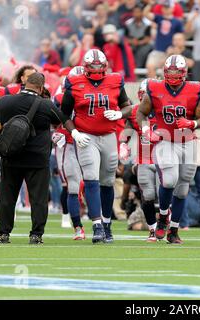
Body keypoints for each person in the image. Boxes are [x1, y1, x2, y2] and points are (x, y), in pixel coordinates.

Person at [0, 73, 75, 245]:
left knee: (7, 197)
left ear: (25, 83)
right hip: (37, 158)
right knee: (38, 199)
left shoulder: (5, 101)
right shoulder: (45, 104)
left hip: (11, 156)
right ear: (40, 87)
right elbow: (61, 119)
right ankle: (36, 235)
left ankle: (3, 233)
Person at [136, 54, 200, 244]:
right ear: (164, 72)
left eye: (177, 72)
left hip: (188, 141)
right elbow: (141, 112)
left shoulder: (195, 90)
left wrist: (191, 123)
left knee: (183, 188)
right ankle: (162, 218)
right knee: (169, 181)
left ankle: (174, 230)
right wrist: (145, 129)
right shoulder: (155, 87)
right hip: (166, 139)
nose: (174, 75)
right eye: (170, 72)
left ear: (184, 73)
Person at [61, 49, 133, 244]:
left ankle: (107, 225)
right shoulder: (74, 83)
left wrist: (120, 114)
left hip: (109, 136)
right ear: (85, 68)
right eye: (92, 68)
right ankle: (97, 225)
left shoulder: (115, 81)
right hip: (86, 136)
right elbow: (64, 114)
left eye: (99, 68)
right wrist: (74, 132)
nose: (96, 71)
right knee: (91, 178)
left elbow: (127, 105)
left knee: (108, 181)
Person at [122, 79, 159, 242]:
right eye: (144, 95)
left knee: (165, 197)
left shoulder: (165, 111)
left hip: (165, 161)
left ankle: (168, 226)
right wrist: (123, 144)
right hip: (144, 160)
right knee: (148, 196)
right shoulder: (135, 111)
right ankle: (153, 229)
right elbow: (127, 131)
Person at [52, 67, 84, 236]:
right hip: (69, 143)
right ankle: (76, 225)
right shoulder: (59, 98)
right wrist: (56, 134)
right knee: (71, 185)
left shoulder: (92, 93)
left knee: (95, 183)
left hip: (89, 142)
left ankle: (101, 222)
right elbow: (52, 120)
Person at [144, 1, 184, 79]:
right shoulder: (159, 18)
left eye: (167, 7)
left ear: (172, 8)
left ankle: (165, 88)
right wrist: (150, 4)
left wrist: (174, 48)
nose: (165, 9)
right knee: (150, 66)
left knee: (168, 72)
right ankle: (153, 87)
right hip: (158, 50)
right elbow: (146, 14)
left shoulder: (177, 22)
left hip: (170, 52)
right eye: (164, 7)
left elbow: (180, 37)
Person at [124, 4, 153, 68]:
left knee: (144, 50)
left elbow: (148, 38)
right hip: (131, 43)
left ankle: (138, 67)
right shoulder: (128, 23)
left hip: (143, 43)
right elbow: (125, 37)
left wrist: (139, 42)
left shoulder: (147, 24)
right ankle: (129, 67)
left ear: (142, 13)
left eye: (138, 12)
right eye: (135, 12)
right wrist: (132, 42)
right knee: (127, 48)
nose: (136, 14)